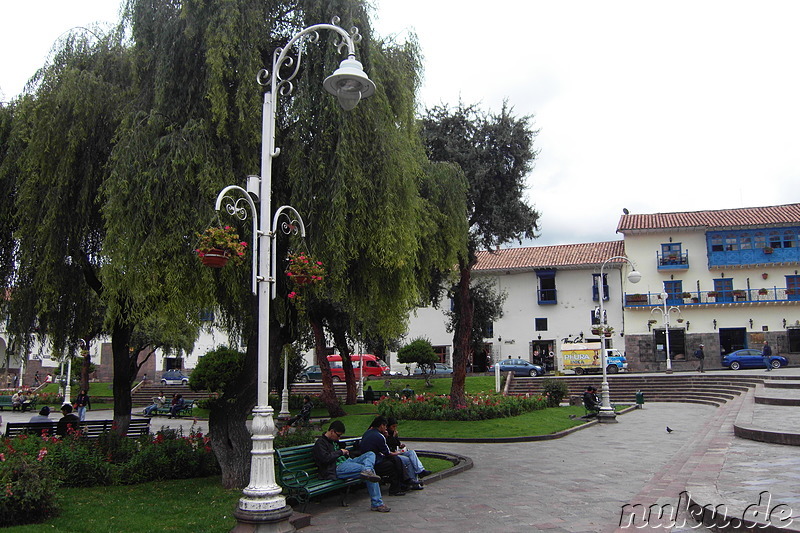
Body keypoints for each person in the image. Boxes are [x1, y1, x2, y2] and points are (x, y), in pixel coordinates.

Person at [312, 420, 389, 513]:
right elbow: (325, 459)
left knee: (370, 454)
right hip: (336, 468)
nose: (339, 438)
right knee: (368, 471)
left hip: (348, 461)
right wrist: (340, 452)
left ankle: (367, 470)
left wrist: (345, 452)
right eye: (338, 435)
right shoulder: (320, 443)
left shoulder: (334, 441)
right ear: (332, 431)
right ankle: (377, 503)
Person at [360, 415, 416, 494]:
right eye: (385, 426)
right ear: (381, 425)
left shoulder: (367, 433)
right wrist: (399, 452)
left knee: (396, 460)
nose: (386, 428)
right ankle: (398, 487)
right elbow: (387, 453)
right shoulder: (379, 436)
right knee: (395, 463)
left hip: (368, 460)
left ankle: (405, 481)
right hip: (374, 463)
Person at [385, 417, 430, 485]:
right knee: (408, 460)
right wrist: (393, 437)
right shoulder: (385, 434)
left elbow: (397, 444)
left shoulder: (393, 433)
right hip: (392, 455)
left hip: (397, 453)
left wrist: (399, 442)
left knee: (411, 453)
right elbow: (388, 444)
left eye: (395, 427)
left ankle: (420, 470)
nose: (394, 428)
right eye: (393, 426)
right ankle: (414, 481)